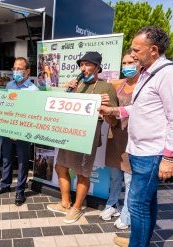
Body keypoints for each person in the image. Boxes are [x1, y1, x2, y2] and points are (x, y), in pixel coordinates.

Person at [99, 26, 173, 247]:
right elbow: (138, 108)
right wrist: (112, 111)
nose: (131, 55)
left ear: (153, 49)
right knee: (147, 203)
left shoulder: (167, 74)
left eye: (135, 50)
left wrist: (169, 158)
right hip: (139, 150)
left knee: (137, 203)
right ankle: (141, 240)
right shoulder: (147, 72)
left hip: (152, 153)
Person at [46, 52, 118, 223]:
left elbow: (113, 120)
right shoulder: (76, 85)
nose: (83, 69)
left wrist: (106, 109)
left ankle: (77, 208)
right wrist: (67, 92)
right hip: (68, 134)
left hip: (87, 137)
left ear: (97, 68)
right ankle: (65, 203)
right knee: (60, 167)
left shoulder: (106, 88)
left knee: (82, 173)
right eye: (81, 65)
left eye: (87, 65)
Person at [99, 49, 141, 230]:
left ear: (139, 63)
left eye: (131, 62)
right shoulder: (119, 85)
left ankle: (127, 213)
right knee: (115, 175)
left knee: (129, 178)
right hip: (116, 134)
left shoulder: (144, 85)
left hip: (134, 137)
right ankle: (112, 205)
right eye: (124, 63)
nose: (127, 66)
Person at [0, 57, 39, 206]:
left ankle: (20, 190)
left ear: (27, 71)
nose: (16, 71)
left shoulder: (33, 90)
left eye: (19, 69)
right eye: (14, 69)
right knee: (6, 158)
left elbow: (34, 113)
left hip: (23, 132)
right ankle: (5, 184)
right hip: (8, 128)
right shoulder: (9, 85)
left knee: (23, 161)